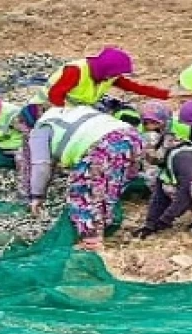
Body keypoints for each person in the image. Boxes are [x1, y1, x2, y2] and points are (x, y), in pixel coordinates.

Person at [22, 104, 144, 251]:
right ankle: (106, 221)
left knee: (83, 194)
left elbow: (41, 165)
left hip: (102, 147)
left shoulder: (40, 129)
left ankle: (92, 241)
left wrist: (37, 196)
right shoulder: (66, 110)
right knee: (110, 185)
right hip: (132, 137)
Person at [39, 46, 172, 108]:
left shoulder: (108, 76)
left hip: (77, 109)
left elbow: (135, 87)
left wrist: (166, 94)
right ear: (107, 69)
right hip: (47, 107)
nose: (117, 76)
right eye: (116, 72)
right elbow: (55, 96)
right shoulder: (76, 71)